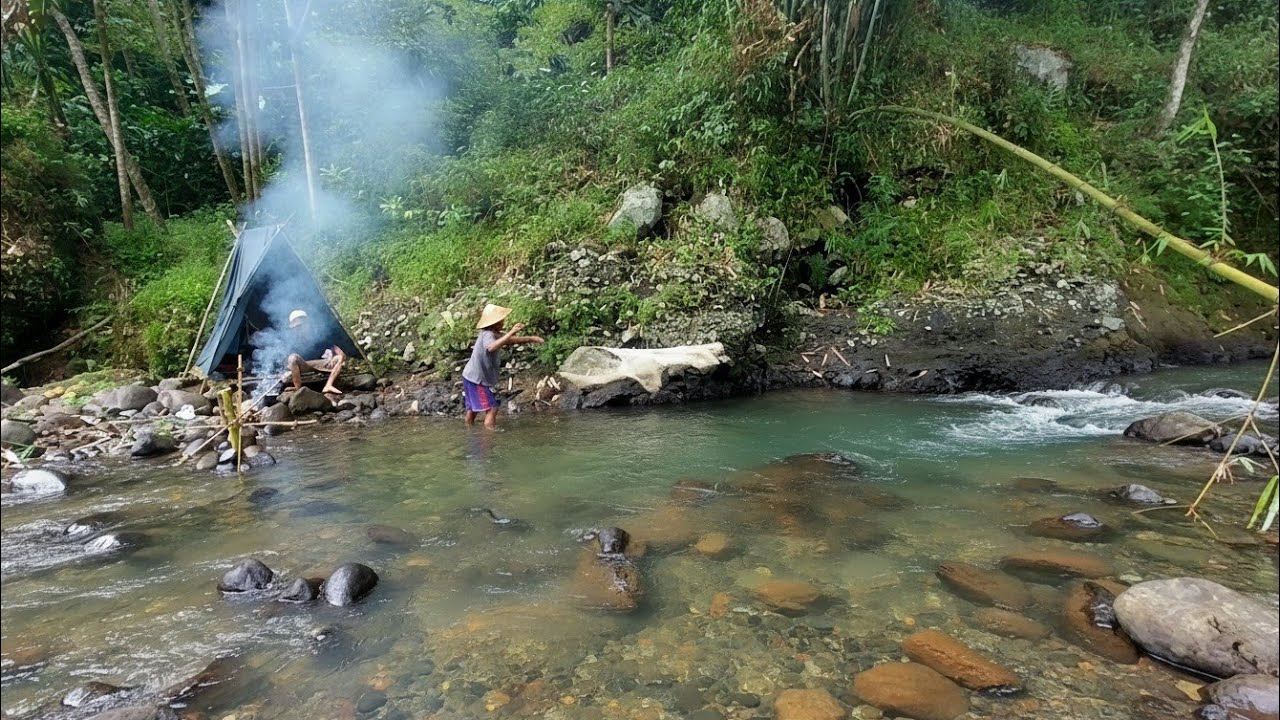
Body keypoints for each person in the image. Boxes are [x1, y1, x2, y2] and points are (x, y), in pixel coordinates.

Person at [462, 303, 544, 429]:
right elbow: (492, 347)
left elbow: (509, 340)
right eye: (501, 320)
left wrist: (531, 338)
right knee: (492, 407)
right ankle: (489, 436)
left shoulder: (490, 333)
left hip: (469, 376)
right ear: (495, 323)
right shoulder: (488, 335)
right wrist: (512, 331)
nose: (503, 322)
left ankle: (468, 429)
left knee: (472, 407)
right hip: (477, 379)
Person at [282, 309, 345, 395]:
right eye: (296, 327)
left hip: (320, 365)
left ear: (307, 324)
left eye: (301, 325)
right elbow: (288, 363)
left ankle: (329, 385)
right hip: (304, 366)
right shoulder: (292, 342)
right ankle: (298, 388)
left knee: (340, 358)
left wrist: (333, 357)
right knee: (292, 358)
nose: (299, 329)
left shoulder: (317, 336)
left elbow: (339, 352)